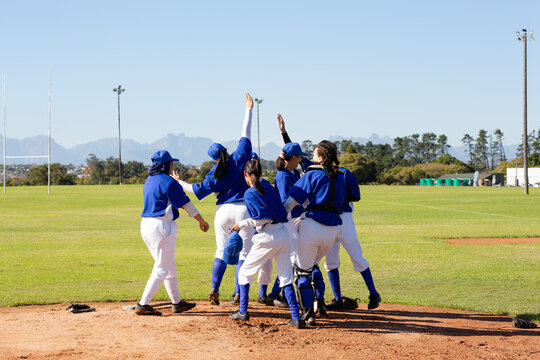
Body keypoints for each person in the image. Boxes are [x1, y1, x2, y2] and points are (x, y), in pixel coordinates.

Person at [177, 93, 253, 306]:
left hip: (223, 213)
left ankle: (214, 288)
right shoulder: (239, 156)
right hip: (244, 210)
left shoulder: (213, 174)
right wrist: (248, 108)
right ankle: (239, 294)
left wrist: (179, 181)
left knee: (221, 252)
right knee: (244, 254)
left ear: (213, 158)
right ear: (226, 151)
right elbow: (245, 132)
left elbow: (195, 190)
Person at [228, 159, 304, 328]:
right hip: (283, 234)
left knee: (244, 273)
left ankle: (242, 312)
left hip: (268, 236)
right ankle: (296, 317)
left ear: (245, 174)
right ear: (261, 173)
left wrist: (241, 224)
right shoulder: (268, 186)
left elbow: (263, 218)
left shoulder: (250, 193)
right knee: (286, 277)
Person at [137, 150, 209, 316]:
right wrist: (202, 221)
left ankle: (176, 303)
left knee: (168, 265)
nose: (172, 165)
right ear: (165, 165)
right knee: (162, 267)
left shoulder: (149, 180)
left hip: (147, 224)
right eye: (171, 163)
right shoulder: (168, 182)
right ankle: (143, 304)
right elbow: (186, 205)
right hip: (161, 226)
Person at [283, 140, 346, 325]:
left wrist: (278, 216)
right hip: (333, 229)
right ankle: (321, 304)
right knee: (314, 265)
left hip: (313, 226)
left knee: (302, 271)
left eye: (314, 154)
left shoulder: (313, 173)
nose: (312, 158)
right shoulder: (341, 175)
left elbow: (291, 202)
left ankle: (308, 313)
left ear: (322, 158)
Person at [324, 166, 381, 310]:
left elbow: (356, 195)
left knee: (357, 256)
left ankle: (374, 294)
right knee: (330, 261)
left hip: (344, 217)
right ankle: (337, 299)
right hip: (326, 218)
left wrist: (337, 195)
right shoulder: (317, 171)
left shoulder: (344, 172)